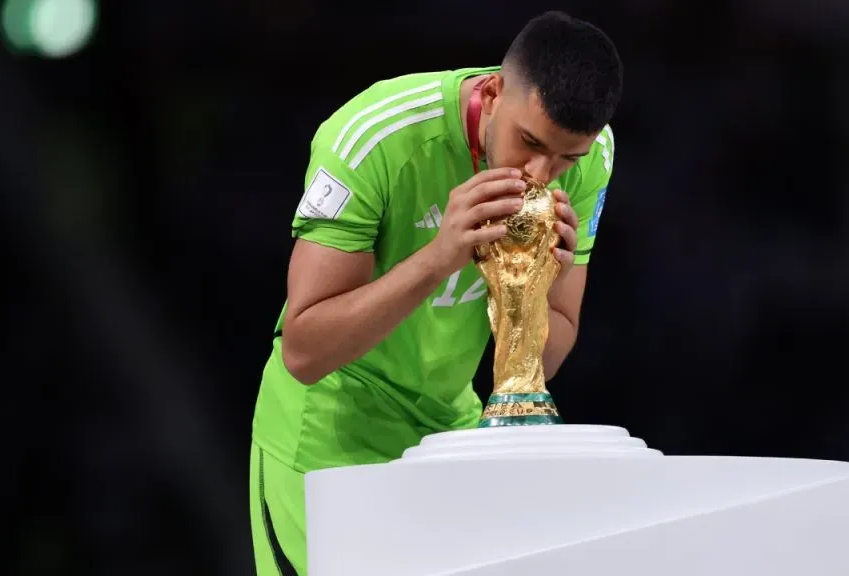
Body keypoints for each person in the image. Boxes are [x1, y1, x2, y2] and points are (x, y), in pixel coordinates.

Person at [249, 10, 622, 575]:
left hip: (447, 437)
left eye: (565, 157)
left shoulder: (593, 158)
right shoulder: (373, 137)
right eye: (528, 142)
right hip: (326, 441)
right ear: (494, 92)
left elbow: (543, 359)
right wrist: (439, 257)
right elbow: (304, 351)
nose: (542, 174)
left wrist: (528, 290)